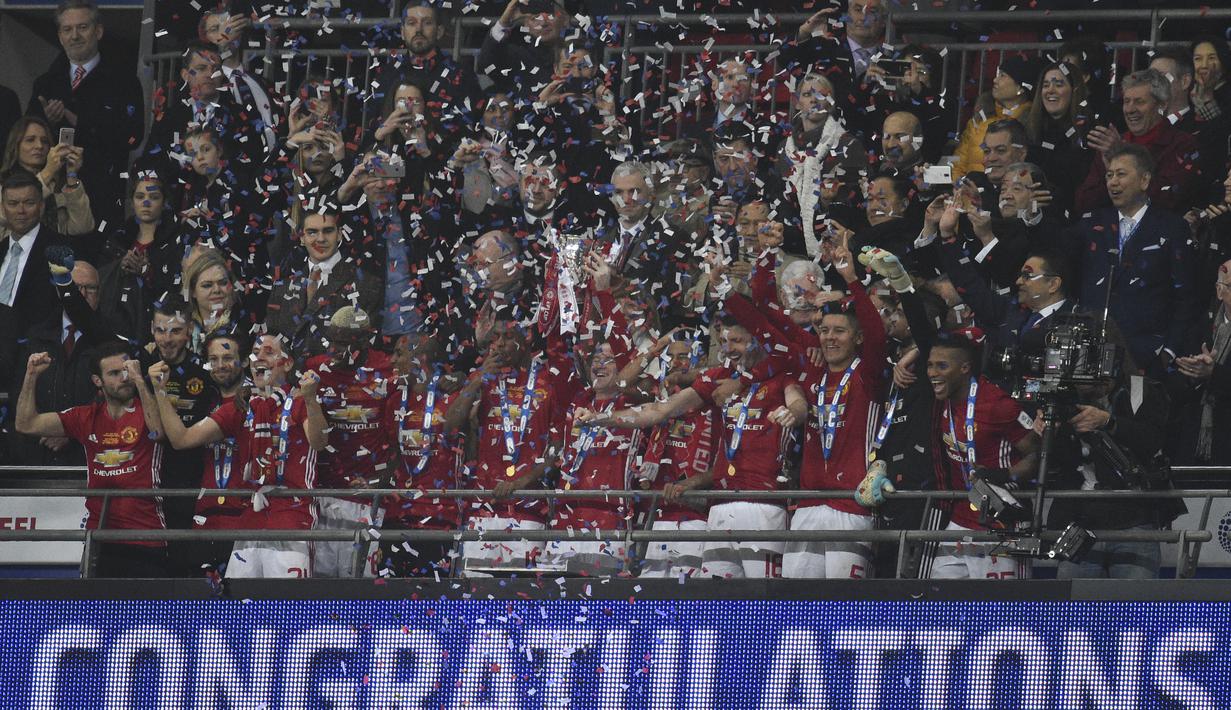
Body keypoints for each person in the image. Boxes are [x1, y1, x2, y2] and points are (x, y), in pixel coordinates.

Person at [578, 318, 797, 580]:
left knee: (764, 596)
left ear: (757, 341)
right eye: (724, 341)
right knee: (709, 598)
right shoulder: (715, 380)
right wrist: (600, 417)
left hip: (758, 503)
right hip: (715, 507)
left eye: (737, 340)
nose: (728, 348)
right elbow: (658, 409)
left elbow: (798, 402)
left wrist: (793, 412)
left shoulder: (780, 377)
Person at [150, 333, 328, 578]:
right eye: (255, 353)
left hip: (292, 518)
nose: (259, 358)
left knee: (287, 601)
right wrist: (159, 390)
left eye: (268, 352)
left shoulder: (299, 403)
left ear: (287, 363)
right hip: (249, 521)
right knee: (238, 602)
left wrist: (310, 400)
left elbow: (319, 442)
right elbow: (182, 439)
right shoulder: (241, 408)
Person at [16, 342, 168, 577]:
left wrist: (140, 379)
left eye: (127, 370)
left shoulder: (147, 410)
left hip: (146, 534)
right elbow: (26, 424)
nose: (124, 378)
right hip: (99, 536)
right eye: (114, 373)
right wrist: (31, 376)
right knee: (97, 602)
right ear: (98, 381)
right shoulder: (85, 417)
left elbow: (158, 432)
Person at [1072, 144, 1197, 376]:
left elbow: (1186, 295)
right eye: (1109, 175)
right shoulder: (1092, 223)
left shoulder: (1171, 227)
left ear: (1144, 180)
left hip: (1147, 358)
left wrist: (1169, 351)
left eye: (1121, 174)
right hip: (1091, 355)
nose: (1112, 182)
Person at [923, 332, 1039, 579]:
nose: (932, 373)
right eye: (930, 365)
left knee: (1004, 604)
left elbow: (1035, 455)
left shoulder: (999, 404)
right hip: (960, 520)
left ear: (965, 368)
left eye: (942, 366)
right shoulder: (941, 401)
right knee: (937, 596)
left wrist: (1004, 474)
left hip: (1004, 523)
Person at [26, 0, 145, 229]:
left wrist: (82, 122)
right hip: (50, 201)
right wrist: (47, 123)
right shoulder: (45, 83)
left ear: (98, 31)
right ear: (60, 36)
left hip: (101, 196)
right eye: (67, 29)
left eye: (82, 27)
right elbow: (25, 136)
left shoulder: (124, 81)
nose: (75, 36)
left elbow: (133, 136)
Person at [304, 306, 396, 578]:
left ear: (364, 340)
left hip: (368, 501)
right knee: (320, 589)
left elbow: (397, 441)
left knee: (362, 588)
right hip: (323, 496)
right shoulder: (315, 368)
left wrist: (381, 484)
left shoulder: (388, 370)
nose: (333, 349)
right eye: (331, 341)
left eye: (342, 343)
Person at [376, 333, 464, 578]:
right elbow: (394, 455)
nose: (392, 360)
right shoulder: (394, 401)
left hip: (438, 519)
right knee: (386, 595)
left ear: (421, 359)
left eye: (399, 354)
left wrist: (464, 377)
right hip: (396, 518)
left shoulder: (454, 398)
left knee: (432, 597)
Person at [635, 330, 716, 578]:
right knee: (650, 596)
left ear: (702, 360)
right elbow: (621, 383)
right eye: (671, 357)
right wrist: (656, 347)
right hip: (656, 515)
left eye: (684, 356)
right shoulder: (659, 398)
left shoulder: (716, 399)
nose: (676, 363)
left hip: (696, 517)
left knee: (687, 595)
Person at [1075, 69, 1202, 215]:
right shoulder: (1112, 145)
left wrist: (1123, 162)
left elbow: (1169, 199)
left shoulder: (1183, 144)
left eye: (1139, 102)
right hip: (1109, 227)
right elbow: (1083, 204)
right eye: (1126, 101)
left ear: (1162, 105)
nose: (1130, 109)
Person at [264, 209, 383, 362]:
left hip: (336, 374)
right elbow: (271, 340)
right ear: (302, 237)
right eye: (312, 232)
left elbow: (365, 345)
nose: (320, 239)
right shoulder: (282, 287)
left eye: (328, 231)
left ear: (339, 234)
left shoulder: (367, 284)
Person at [1, 117, 93, 244]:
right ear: (16, 145)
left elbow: (82, 227)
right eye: (30, 140)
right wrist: (48, 172)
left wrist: (71, 174)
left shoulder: (56, 185)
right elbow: (6, 216)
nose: (39, 146)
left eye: (44, 141)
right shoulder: (3, 183)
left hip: (54, 253)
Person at [953, 56, 1040, 180]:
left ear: (1020, 88)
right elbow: (959, 162)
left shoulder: (1032, 124)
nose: (995, 80)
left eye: (1002, 76)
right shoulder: (979, 118)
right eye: (997, 75)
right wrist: (959, 185)